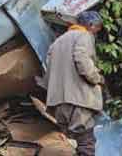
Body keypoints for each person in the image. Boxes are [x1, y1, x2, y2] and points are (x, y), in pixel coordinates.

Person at [44, 11, 105, 155]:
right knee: (86, 143)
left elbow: (48, 69)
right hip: (78, 101)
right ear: (90, 26)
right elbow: (82, 61)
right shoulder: (84, 36)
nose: (97, 33)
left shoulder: (57, 42)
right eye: (97, 28)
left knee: (69, 144)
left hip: (58, 102)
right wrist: (97, 78)